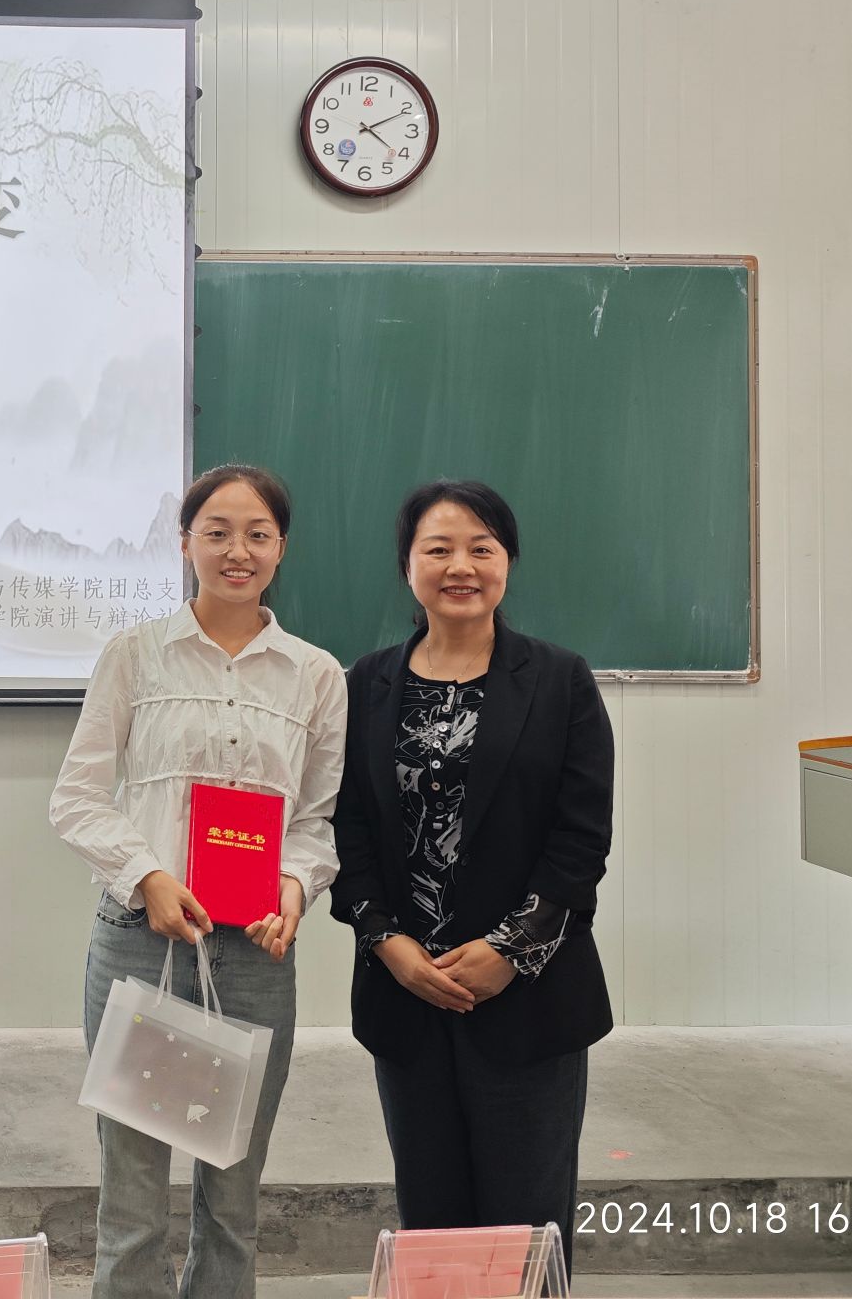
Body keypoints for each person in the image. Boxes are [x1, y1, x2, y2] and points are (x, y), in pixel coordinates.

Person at [50, 464, 346, 1299]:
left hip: (254, 953)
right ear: (185, 544)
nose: (236, 551)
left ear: (281, 549)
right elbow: (76, 798)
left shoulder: (317, 675)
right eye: (216, 532)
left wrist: (294, 889)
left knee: (233, 1200)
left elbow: (318, 821)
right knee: (132, 1199)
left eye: (257, 534)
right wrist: (146, 875)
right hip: (140, 944)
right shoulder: (134, 655)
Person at [330, 480, 614, 1272]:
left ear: (507, 562)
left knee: (526, 1227)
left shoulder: (560, 681)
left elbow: (581, 842)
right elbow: (346, 829)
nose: (461, 566)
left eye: (480, 548)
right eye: (439, 549)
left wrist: (508, 952)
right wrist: (386, 941)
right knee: (433, 1223)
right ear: (408, 566)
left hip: (528, 1002)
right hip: (406, 998)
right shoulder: (365, 685)